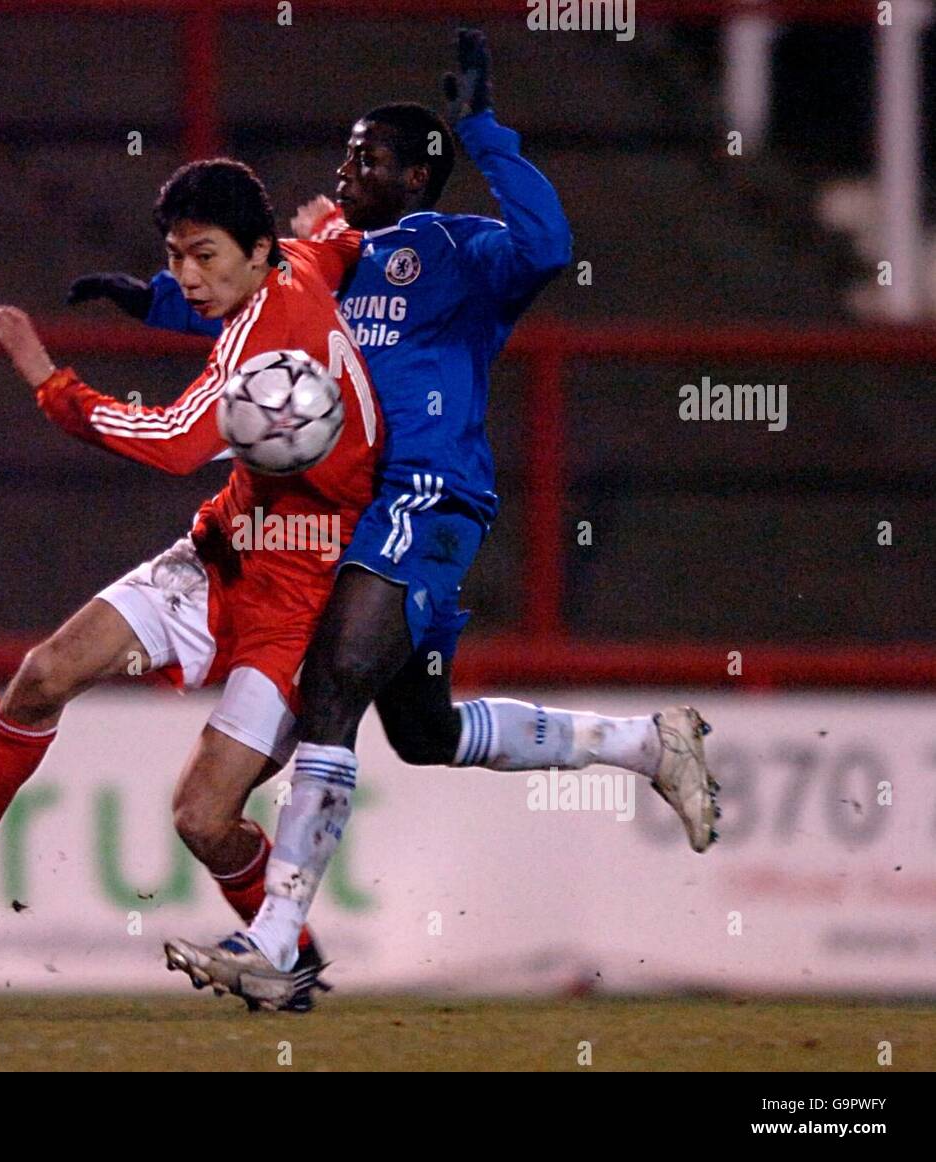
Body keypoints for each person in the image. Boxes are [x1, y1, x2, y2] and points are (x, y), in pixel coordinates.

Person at [72, 29, 718, 1010]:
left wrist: (487, 132)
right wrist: (155, 300)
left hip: (428, 496)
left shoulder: (458, 251)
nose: (346, 173)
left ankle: (277, 939)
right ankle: (645, 744)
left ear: (419, 173)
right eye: (344, 157)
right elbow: (249, 297)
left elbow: (548, 245)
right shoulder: (332, 259)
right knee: (421, 729)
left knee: (331, 683)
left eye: (367, 159)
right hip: (350, 513)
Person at [0, 158, 382, 1011]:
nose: (188, 278)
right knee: (43, 674)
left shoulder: (259, 349)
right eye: (175, 257)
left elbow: (169, 441)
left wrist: (48, 381)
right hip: (220, 554)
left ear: (255, 252)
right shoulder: (302, 264)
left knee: (203, 819)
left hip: (302, 600)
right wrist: (335, 225)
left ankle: (294, 959)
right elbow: (336, 248)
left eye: (204, 256)